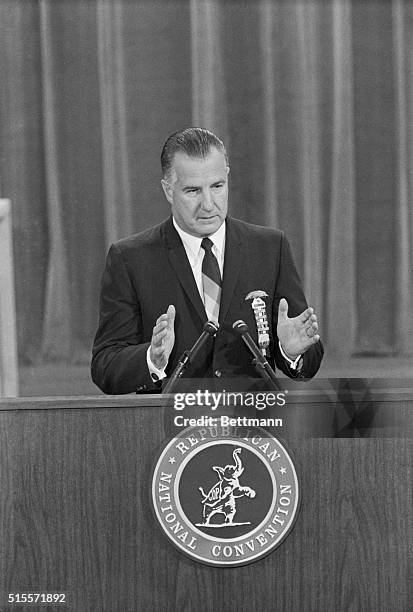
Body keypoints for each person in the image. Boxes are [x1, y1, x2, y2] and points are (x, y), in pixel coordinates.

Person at [91, 127, 323, 394]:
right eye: (193, 191)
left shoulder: (270, 248)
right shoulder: (130, 259)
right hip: (173, 429)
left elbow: (309, 358)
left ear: (227, 177)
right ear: (168, 190)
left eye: (217, 187)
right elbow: (105, 366)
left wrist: (290, 351)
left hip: (253, 426)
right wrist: (151, 359)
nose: (209, 204)